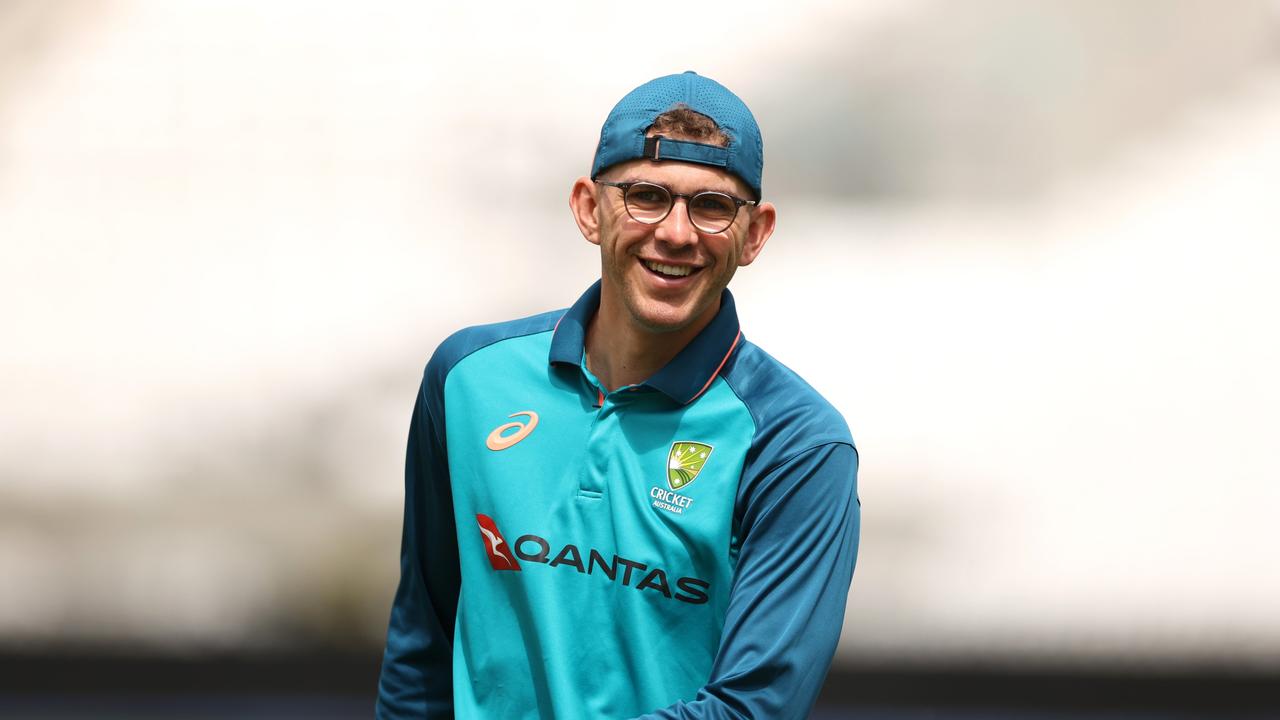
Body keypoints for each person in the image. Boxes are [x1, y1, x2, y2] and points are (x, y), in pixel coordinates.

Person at [376, 71, 860, 720]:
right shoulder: (468, 378)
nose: (677, 233)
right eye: (646, 196)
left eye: (712, 207)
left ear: (755, 234)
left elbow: (752, 711)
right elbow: (421, 652)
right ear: (587, 208)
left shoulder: (798, 444)